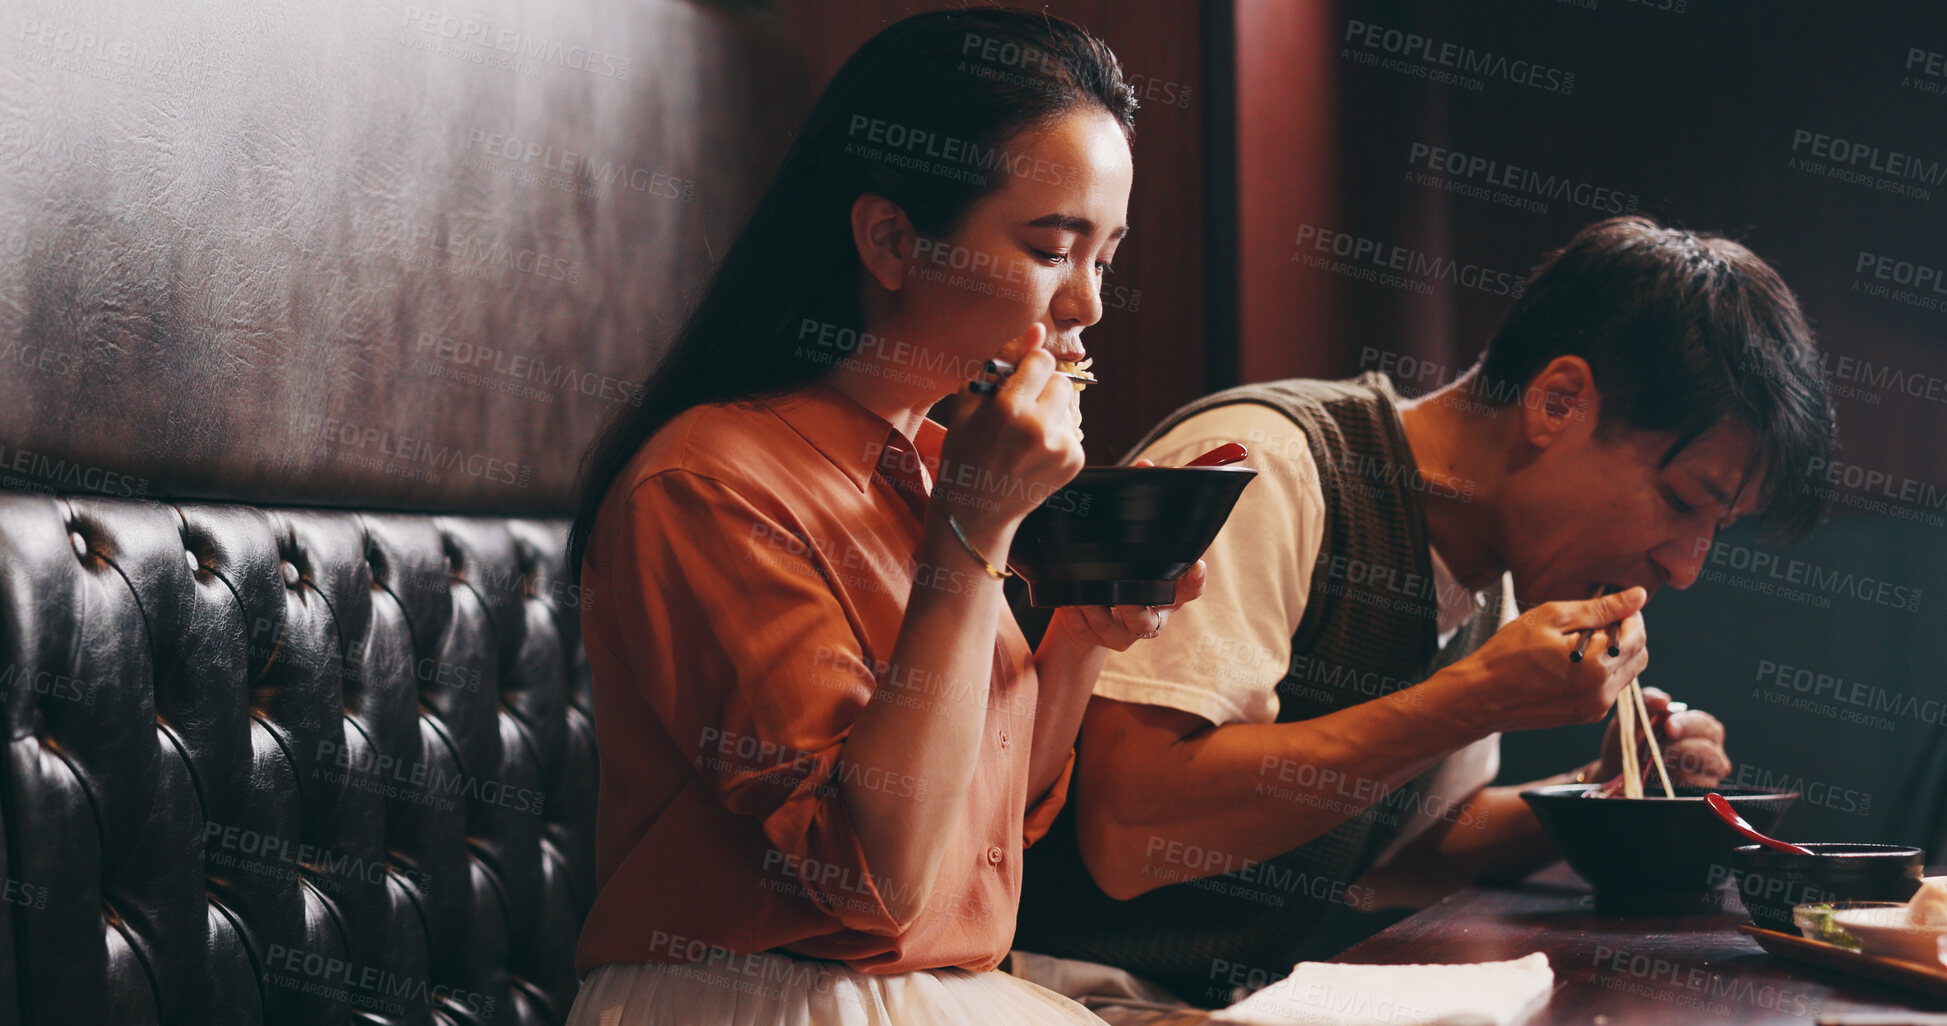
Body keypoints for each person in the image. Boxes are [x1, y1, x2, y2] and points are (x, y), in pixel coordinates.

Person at [1011, 216, 1838, 1011]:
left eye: (1714, 530)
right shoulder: (1273, 465)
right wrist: (1469, 699)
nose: (1685, 566)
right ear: (1556, 402)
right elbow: (1130, 832)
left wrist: (1610, 796)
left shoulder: (1497, 573)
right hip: (1055, 992)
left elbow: (1397, 854)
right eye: (1682, 501)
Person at [560, 9, 1206, 1025]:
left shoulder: (937, 470)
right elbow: (874, 879)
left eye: (1106, 258)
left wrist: (1079, 639)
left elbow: (975, 821)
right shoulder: (708, 483)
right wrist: (971, 539)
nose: (1086, 305)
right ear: (893, 239)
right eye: (1051, 249)